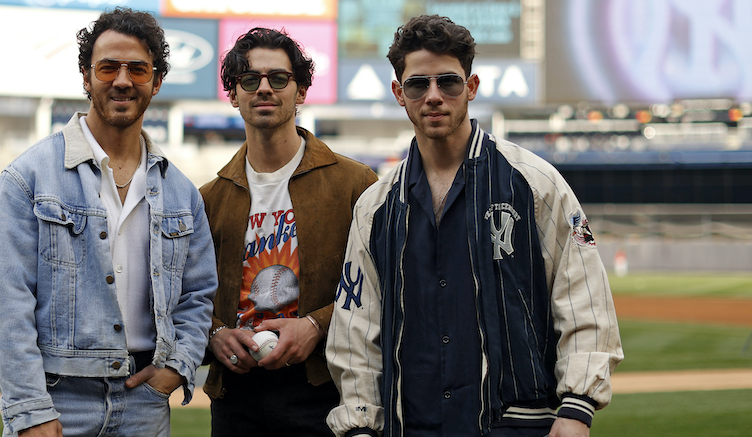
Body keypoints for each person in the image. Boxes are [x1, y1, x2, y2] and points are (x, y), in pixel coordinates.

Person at [325, 15, 624, 437]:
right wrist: (359, 425)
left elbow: (583, 295)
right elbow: (355, 331)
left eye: (448, 82)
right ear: (399, 93)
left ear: (471, 86)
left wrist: (578, 407)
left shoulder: (535, 182)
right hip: (412, 427)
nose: (433, 96)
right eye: (418, 84)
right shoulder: (375, 207)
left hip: (516, 426)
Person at [0, 8, 217, 437]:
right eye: (108, 67)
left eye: (138, 69)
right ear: (86, 78)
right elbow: (3, 301)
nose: (122, 80)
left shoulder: (181, 192)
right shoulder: (29, 177)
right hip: (58, 399)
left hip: (145, 403)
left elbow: (198, 297)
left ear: (157, 81)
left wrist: (177, 368)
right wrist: (30, 408)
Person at [200, 27, 378, 437]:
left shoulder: (355, 183)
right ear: (234, 94)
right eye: (250, 80)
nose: (264, 88)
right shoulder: (209, 197)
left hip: (325, 385)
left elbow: (381, 286)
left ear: (301, 92)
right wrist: (216, 333)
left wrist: (316, 325)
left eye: (278, 78)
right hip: (236, 392)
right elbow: (188, 293)